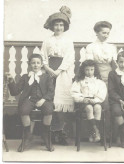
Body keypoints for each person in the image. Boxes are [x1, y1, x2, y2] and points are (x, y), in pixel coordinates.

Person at [6, 54, 55, 152]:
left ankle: (46, 135)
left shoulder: (46, 77)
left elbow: (51, 91)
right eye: (33, 63)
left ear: (41, 65)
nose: (35, 65)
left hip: (43, 99)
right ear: (30, 64)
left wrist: (43, 99)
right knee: (23, 110)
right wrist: (11, 81)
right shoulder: (25, 77)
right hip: (29, 99)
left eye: (38, 63)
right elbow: (15, 91)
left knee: (49, 110)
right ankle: (27, 135)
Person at [41, 6, 75, 145]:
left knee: (61, 103)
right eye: (56, 24)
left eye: (61, 25)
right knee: (50, 102)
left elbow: (69, 58)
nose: (59, 27)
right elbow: (43, 57)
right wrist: (48, 69)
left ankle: (60, 132)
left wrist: (58, 71)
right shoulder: (47, 41)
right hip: (49, 71)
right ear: (52, 26)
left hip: (63, 73)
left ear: (65, 26)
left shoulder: (68, 41)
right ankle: (49, 133)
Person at [71, 60, 107, 142]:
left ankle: (93, 131)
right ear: (83, 70)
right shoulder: (79, 81)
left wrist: (95, 100)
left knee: (98, 107)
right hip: (83, 102)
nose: (89, 72)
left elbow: (102, 94)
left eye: (91, 69)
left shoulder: (99, 82)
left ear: (95, 70)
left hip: (95, 101)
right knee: (89, 108)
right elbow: (74, 93)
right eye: (87, 70)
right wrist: (83, 99)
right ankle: (96, 131)